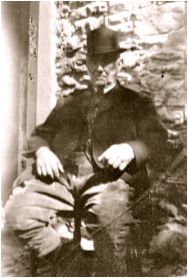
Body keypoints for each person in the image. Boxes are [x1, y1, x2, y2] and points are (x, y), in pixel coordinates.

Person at [4, 25, 169, 275]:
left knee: (111, 230)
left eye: (107, 61)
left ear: (119, 63)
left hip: (108, 183)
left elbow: (158, 140)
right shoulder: (70, 102)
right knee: (18, 212)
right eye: (94, 60)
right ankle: (66, 260)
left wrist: (130, 148)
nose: (100, 68)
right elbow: (40, 135)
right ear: (86, 63)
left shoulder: (136, 103)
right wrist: (43, 152)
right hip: (63, 180)